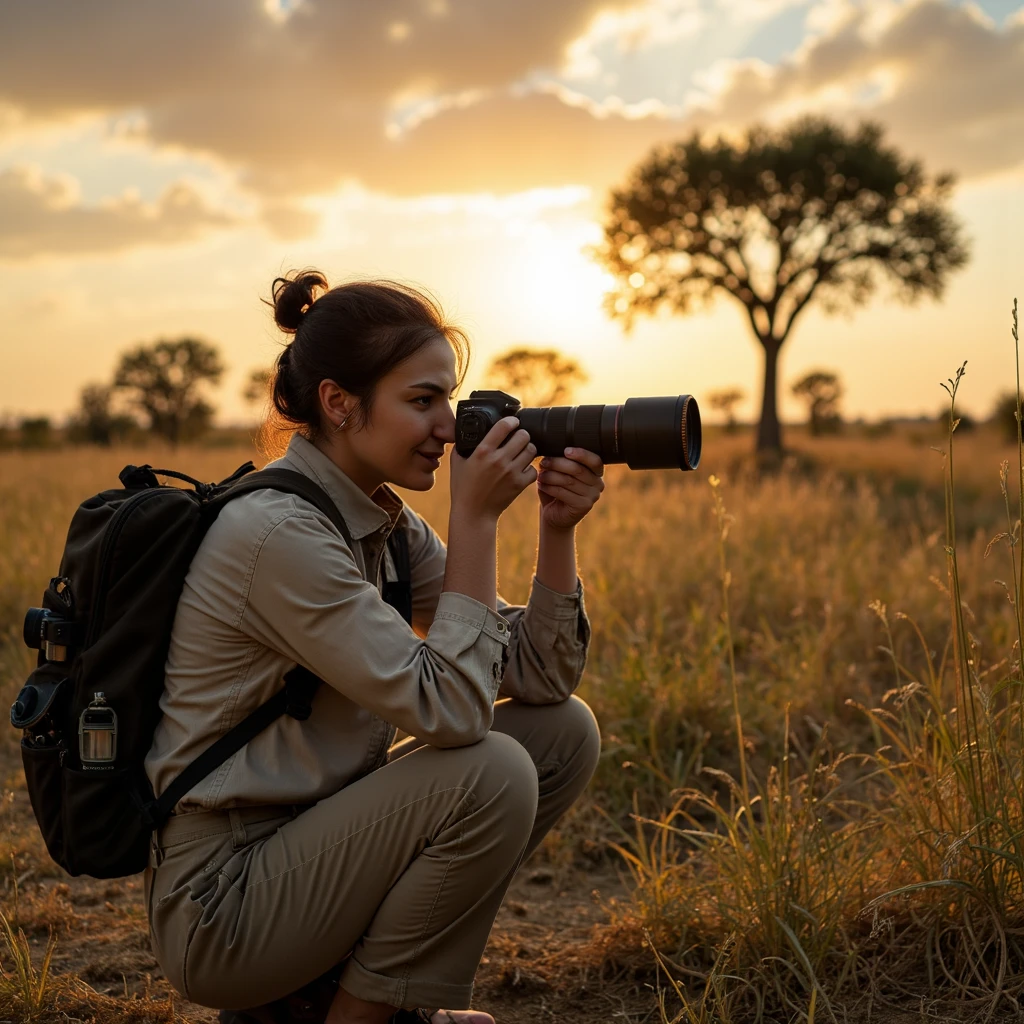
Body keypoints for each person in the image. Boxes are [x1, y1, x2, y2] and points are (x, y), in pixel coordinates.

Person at [143, 270, 604, 1024]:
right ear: (339, 404)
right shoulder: (278, 534)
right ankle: (367, 1015)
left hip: (309, 851)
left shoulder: (383, 523)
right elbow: (455, 714)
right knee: (487, 772)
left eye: (448, 400)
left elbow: (539, 679)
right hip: (223, 903)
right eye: (421, 402)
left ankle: (353, 994)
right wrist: (479, 523)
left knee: (561, 734)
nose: (450, 427)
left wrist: (557, 531)